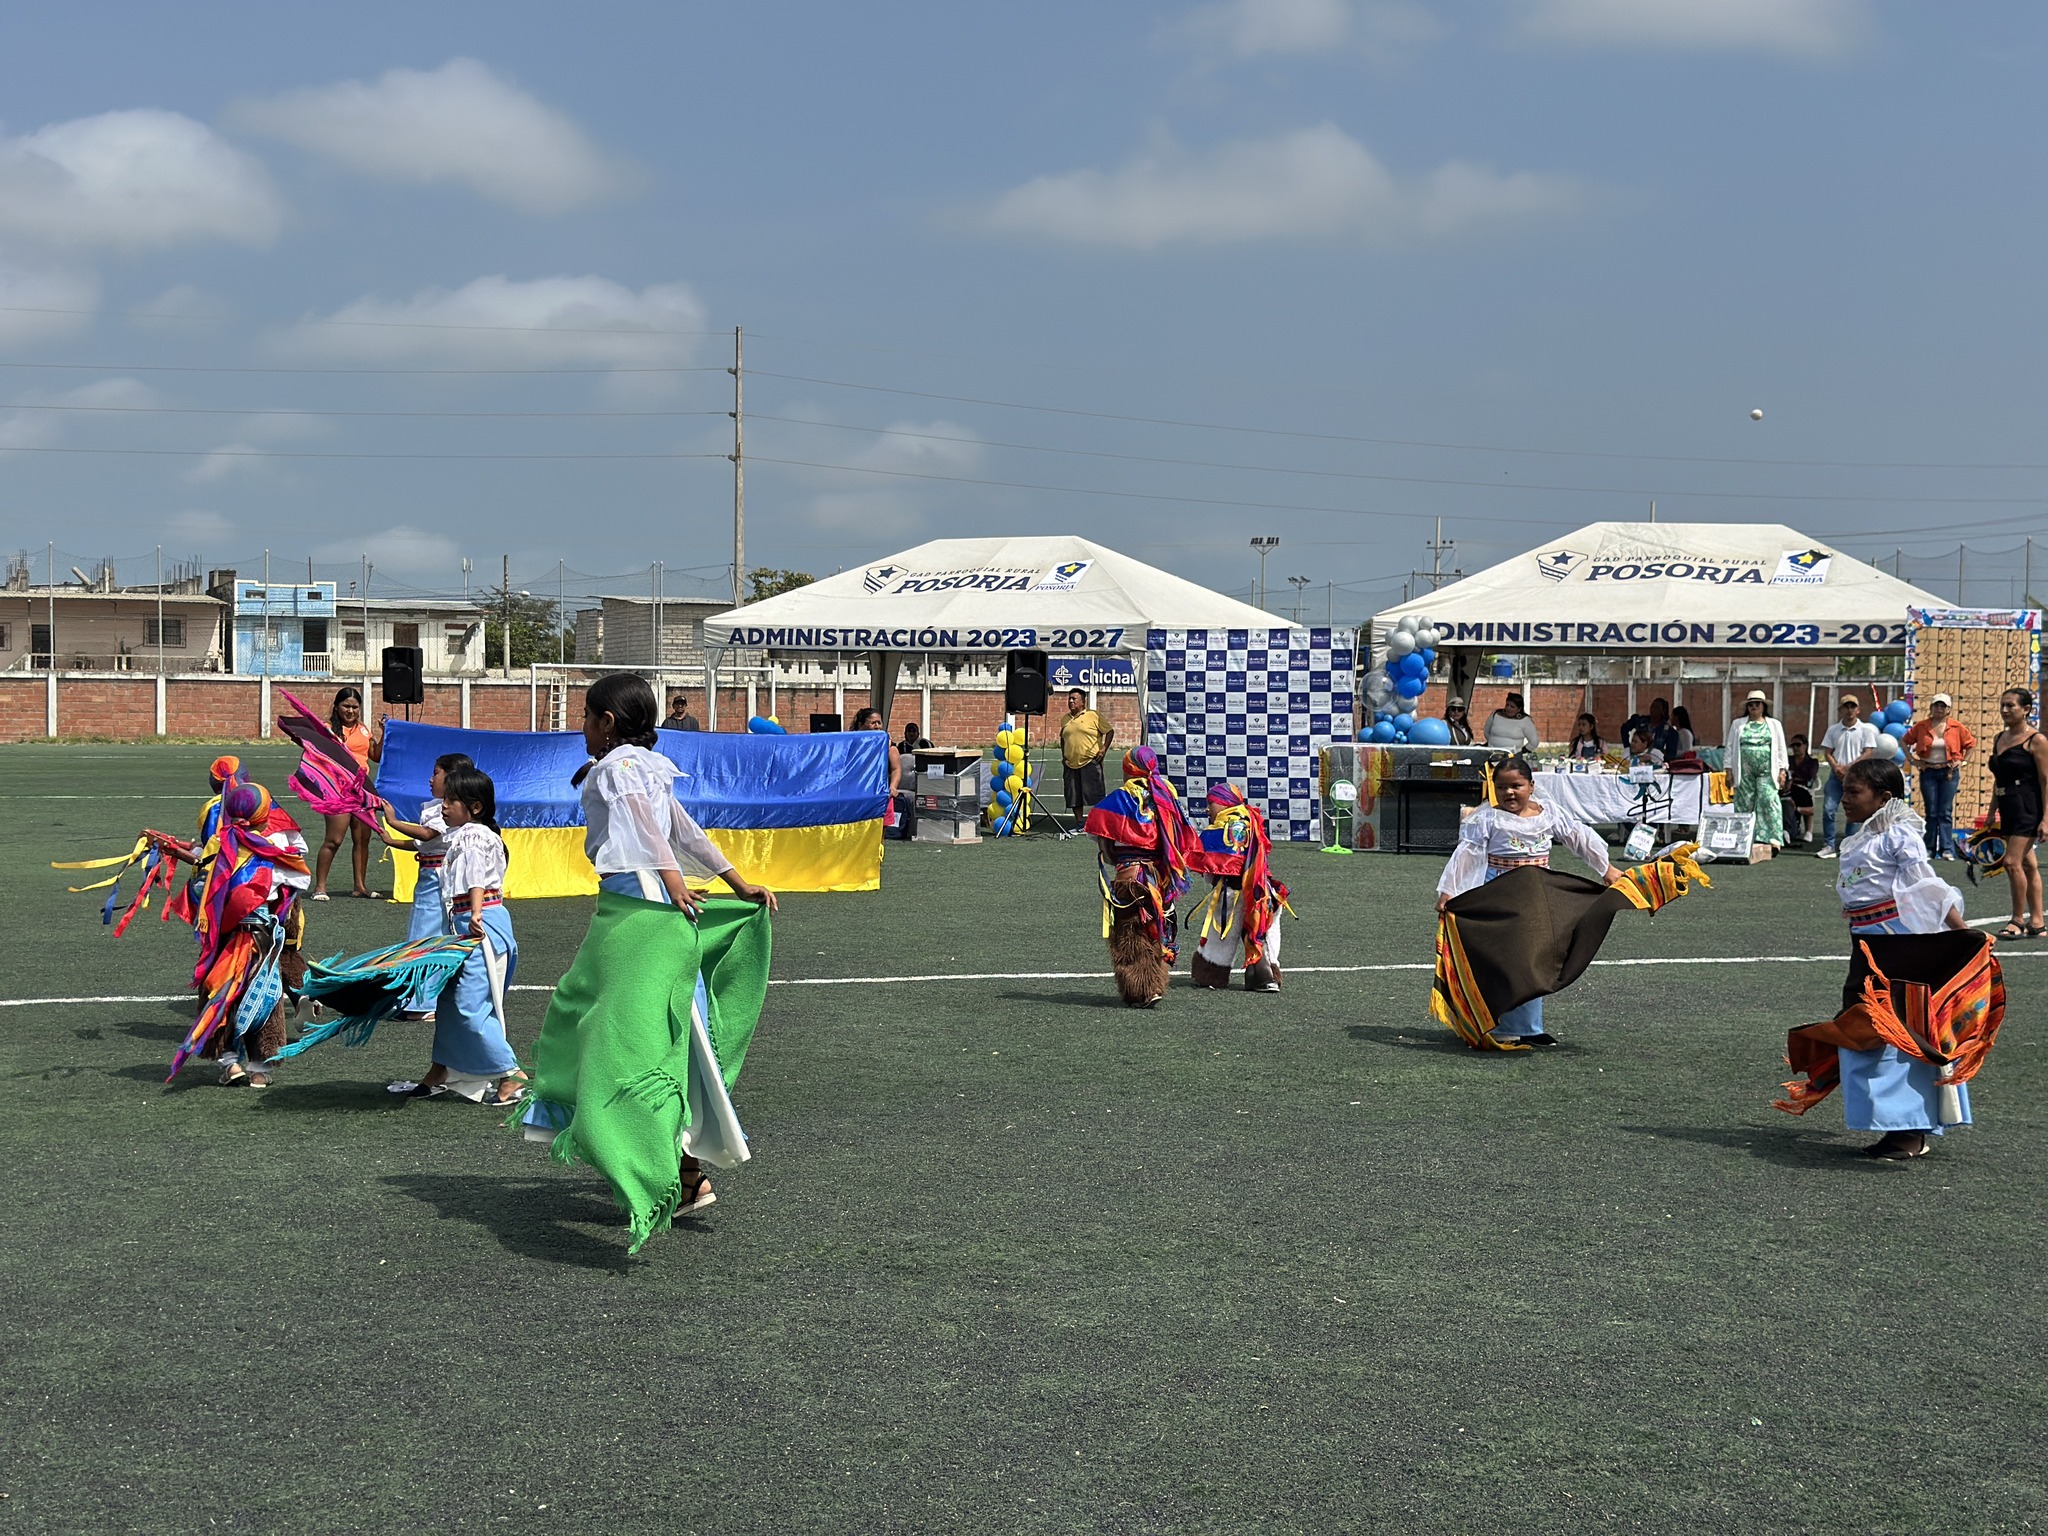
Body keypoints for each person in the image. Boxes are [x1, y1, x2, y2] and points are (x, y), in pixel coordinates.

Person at [520, 673, 778, 1247]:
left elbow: (647, 823)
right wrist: (735, 881)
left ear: (607, 722)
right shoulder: (646, 766)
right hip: (644, 906)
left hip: (638, 912)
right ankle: (684, 1170)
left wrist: (673, 880)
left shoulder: (619, 768)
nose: (582, 727)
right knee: (671, 1036)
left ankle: (656, 1162)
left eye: (586, 717)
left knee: (609, 1029)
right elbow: (682, 829)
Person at [1775, 757, 1992, 1160]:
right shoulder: (1863, 837)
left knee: (1895, 1032)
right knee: (1864, 1029)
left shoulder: (1898, 834)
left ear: (1883, 797)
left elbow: (1927, 886)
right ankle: (1897, 1125)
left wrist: (1963, 935)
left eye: (1854, 792)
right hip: (1869, 948)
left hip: (1895, 949)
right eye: (1844, 790)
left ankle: (1909, 1131)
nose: (1844, 799)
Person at [1434, 756, 1627, 1047]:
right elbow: (1467, 855)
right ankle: (1498, 1025)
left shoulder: (1548, 813)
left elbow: (1577, 836)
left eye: (1517, 786)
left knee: (1535, 959)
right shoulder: (1487, 818)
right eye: (1502, 787)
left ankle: (1530, 1028)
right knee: (1508, 960)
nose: (1509, 792)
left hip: (1537, 900)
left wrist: (1606, 868)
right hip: (1500, 897)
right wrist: (1450, 891)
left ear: (1531, 786)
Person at [151, 781, 312, 1087]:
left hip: (223, 937)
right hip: (261, 938)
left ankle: (230, 1063)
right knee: (265, 1000)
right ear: (263, 816)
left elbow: (201, 881)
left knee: (222, 997)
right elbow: (298, 883)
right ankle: (260, 1069)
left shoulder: (218, 843)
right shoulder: (274, 850)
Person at [391, 767, 527, 1106]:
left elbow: (476, 877)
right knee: (450, 1002)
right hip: (466, 924)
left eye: (451, 800)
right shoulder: (463, 834)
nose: (444, 806)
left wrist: (476, 912)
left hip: (481, 925)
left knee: (468, 1004)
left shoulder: (474, 835)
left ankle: (511, 1074)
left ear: (475, 807)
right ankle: (442, 1069)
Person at [1084, 745, 1195, 1008]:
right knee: (1155, 930)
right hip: (1160, 879)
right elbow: (1182, 838)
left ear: (1129, 770)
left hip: (1131, 878)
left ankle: (1141, 990)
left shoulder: (1120, 799)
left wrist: (1115, 854)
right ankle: (1155, 983)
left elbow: (1100, 839)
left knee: (1130, 936)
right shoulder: (1167, 798)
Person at [376, 751, 474, 1021]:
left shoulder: (449, 809)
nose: (431, 779)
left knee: (425, 936)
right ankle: (422, 999)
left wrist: (394, 822)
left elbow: (429, 835)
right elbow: (424, 844)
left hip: (439, 879)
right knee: (426, 934)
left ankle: (423, 1003)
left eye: (436, 773)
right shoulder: (436, 806)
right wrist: (392, 841)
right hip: (430, 876)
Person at [1187, 783, 1290, 993]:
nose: (1207, 809)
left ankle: (1212, 972)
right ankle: (1266, 974)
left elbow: (1212, 868)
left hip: (1233, 892)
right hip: (1263, 891)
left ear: (1224, 803)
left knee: (1221, 934)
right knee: (1263, 929)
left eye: (1210, 803)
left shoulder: (1221, 827)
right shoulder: (1252, 821)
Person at [1989, 687, 2048, 939]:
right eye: (2002, 705)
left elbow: (2045, 780)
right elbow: (1999, 778)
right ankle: (2037, 922)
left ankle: (2017, 920)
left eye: (2010, 705)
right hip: (2007, 806)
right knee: (2028, 864)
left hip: (2028, 806)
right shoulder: (1999, 738)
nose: (2004, 710)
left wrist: (2046, 819)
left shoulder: (2036, 740)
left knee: (2012, 862)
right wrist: (1991, 811)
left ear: (2026, 710)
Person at [313, 686, 380, 900]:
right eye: (346, 706)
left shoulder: (363, 730)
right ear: (336, 706)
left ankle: (360, 886)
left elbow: (375, 755)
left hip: (362, 791)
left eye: (355, 707)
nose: (350, 711)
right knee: (334, 839)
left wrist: (387, 733)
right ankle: (320, 887)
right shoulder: (326, 729)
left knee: (362, 839)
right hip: (337, 791)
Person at [1903, 693, 1975, 861]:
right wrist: (1913, 760)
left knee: (1945, 811)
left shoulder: (1956, 727)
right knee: (1931, 811)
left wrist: (1963, 762)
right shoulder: (1922, 726)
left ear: (1948, 709)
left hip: (1948, 772)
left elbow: (1971, 744)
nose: (1939, 709)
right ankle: (1929, 848)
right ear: (1931, 707)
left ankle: (1946, 848)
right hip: (1928, 771)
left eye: (1943, 706)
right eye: (1936, 705)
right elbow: (1905, 741)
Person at [1816, 694, 1882, 859]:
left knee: (1854, 811)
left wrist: (1850, 767)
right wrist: (1836, 767)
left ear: (1858, 710)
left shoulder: (1865, 729)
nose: (1850, 710)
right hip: (1836, 776)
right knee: (1828, 809)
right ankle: (1829, 845)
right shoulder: (1833, 730)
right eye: (1846, 707)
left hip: (1856, 777)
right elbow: (1828, 752)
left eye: (1853, 706)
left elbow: (1868, 751)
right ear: (1841, 709)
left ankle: (1849, 844)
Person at [1724, 690, 1789, 848]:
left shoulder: (1774, 724)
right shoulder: (1738, 724)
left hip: (1767, 770)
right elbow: (1730, 747)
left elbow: (1781, 748)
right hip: (1744, 770)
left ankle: (1772, 838)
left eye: (1757, 704)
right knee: (1744, 801)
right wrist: (1728, 770)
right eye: (1751, 704)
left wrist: (1782, 770)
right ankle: (1742, 837)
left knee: (1768, 799)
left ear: (1763, 706)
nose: (1754, 707)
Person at [852, 706, 914, 840]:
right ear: (861, 725)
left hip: (881, 795)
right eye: (873, 723)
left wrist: (893, 787)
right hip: (858, 795)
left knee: (879, 835)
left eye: (879, 722)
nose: (877, 726)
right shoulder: (852, 745)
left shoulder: (890, 747)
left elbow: (896, 769)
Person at [1059, 689, 1114, 814]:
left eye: (1074, 699)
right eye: (1069, 699)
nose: (1071, 701)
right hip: (1070, 763)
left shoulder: (1093, 715)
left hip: (1090, 761)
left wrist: (1103, 749)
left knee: (1096, 795)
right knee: (1074, 796)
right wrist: (1064, 756)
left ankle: (1097, 821)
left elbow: (1109, 731)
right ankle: (1079, 822)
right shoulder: (1065, 719)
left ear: (1083, 702)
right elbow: (1063, 738)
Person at [1785, 736, 1820, 845]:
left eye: (1798, 745)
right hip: (1789, 787)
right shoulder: (1788, 760)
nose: (1795, 748)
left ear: (1805, 746)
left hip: (1805, 788)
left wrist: (1793, 776)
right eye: (1793, 745)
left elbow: (1810, 776)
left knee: (1805, 795)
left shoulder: (1812, 762)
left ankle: (1808, 831)